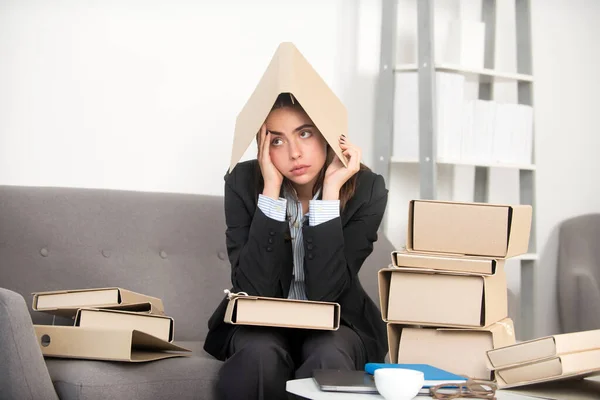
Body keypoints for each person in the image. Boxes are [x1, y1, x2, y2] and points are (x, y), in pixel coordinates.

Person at [203, 93, 388, 400]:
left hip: (338, 320)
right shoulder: (241, 182)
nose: (294, 153)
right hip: (260, 321)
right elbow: (252, 286)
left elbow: (326, 293)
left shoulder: (368, 190)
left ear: (327, 134)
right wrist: (271, 191)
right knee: (258, 353)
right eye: (277, 140)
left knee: (328, 353)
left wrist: (329, 194)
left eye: (304, 133)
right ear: (262, 146)